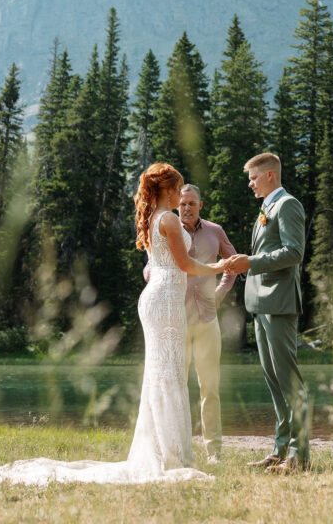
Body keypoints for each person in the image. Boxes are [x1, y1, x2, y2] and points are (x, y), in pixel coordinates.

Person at [0, 163, 228, 486]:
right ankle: (172, 455)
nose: (182, 195)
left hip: (160, 295)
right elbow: (184, 265)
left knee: (164, 372)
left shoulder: (155, 217)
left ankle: (169, 452)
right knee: (167, 373)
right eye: (179, 188)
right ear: (168, 189)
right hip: (166, 298)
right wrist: (220, 265)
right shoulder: (167, 218)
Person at [225, 152, 311, 473]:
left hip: (279, 302)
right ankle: (279, 448)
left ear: (270, 176)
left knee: (289, 381)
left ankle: (298, 457)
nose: (249, 184)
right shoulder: (267, 207)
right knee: (274, 381)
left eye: (253, 177)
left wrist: (252, 262)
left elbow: (294, 252)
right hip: (260, 303)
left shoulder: (288, 204)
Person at [145, 183, 237, 463]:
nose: (186, 208)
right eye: (182, 203)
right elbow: (150, 267)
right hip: (176, 321)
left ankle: (214, 452)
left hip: (208, 320)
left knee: (210, 388)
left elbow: (231, 263)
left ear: (200, 206)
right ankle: (174, 448)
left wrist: (220, 293)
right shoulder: (167, 228)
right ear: (177, 205)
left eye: (192, 204)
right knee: (175, 385)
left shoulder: (215, 231)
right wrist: (161, 286)